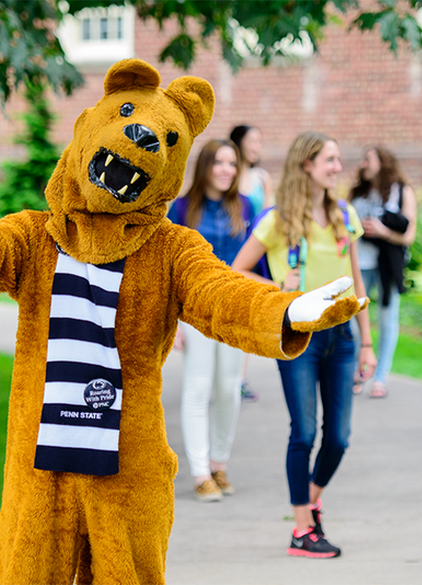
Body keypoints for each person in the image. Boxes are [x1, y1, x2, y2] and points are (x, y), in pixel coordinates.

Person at [232, 131, 377, 559]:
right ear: (306, 166)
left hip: (342, 337)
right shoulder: (277, 221)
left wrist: (367, 342)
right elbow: (237, 270)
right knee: (305, 432)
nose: (337, 167)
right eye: (330, 160)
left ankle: (310, 500)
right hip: (299, 338)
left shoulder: (344, 214)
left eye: (337, 159)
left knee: (339, 438)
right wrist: (278, 286)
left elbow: (357, 280)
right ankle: (301, 530)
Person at [168, 139, 254, 502]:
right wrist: (172, 321)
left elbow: (254, 260)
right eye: (218, 163)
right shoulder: (182, 208)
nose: (226, 170)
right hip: (196, 310)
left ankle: (219, 463)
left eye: (232, 164)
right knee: (197, 388)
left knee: (228, 389)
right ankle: (200, 472)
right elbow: (168, 267)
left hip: (234, 310)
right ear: (204, 166)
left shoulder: (246, 206)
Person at [348, 147, 417, 398]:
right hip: (360, 263)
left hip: (388, 264)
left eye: (368, 159)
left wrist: (381, 231)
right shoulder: (358, 192)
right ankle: (359, 370)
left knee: (388, 320)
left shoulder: (402, 191)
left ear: (383, 162)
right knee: (353, 319)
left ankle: (380, 378)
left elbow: (409, 234)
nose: (363, 163)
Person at [230, 124, 274, 402]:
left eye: (260, 141)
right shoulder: (229, 173)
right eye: (252, 141)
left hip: (255, 251)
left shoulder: (262, 177)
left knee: (246, 314)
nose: (257, 146)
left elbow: (270, 213)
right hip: (232, 248)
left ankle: (240, 377)